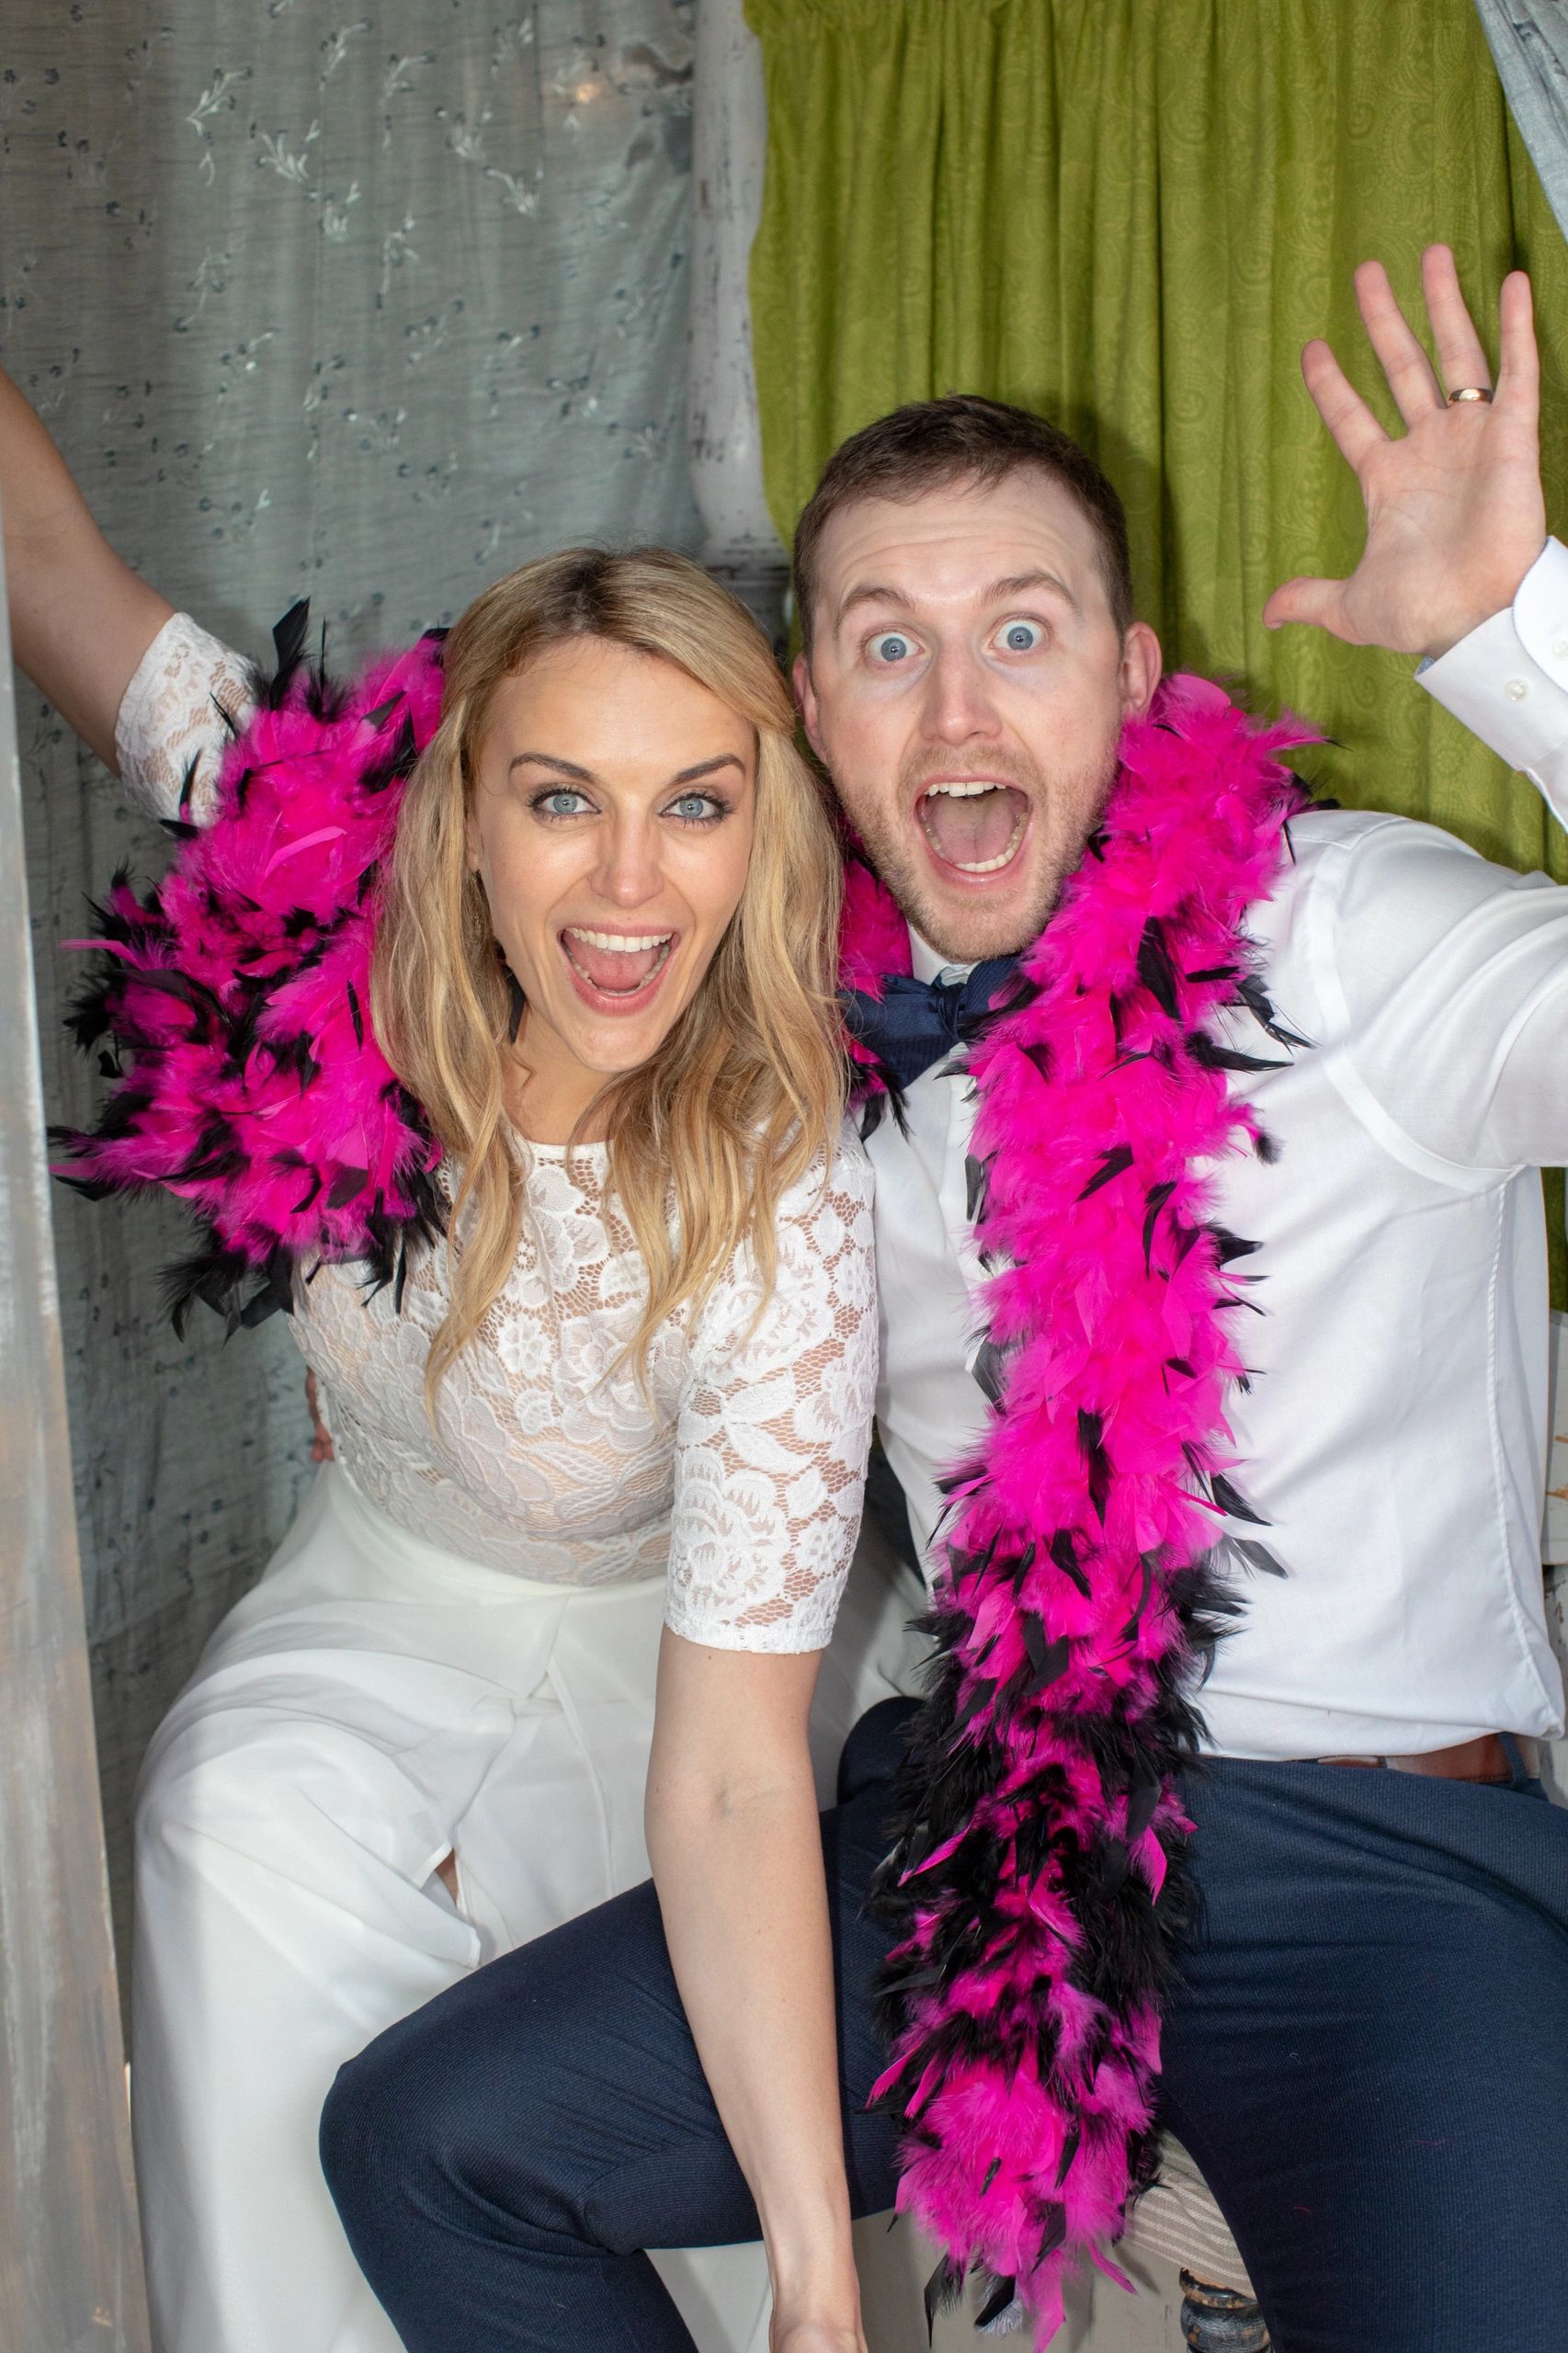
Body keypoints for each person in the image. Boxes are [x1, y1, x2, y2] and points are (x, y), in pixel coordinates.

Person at [313, 245, 1568, 2353]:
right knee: (435, 2139)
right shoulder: (783, 1050)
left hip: (1379, 1869)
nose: (959, 709)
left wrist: (1515, 641)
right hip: (980, 1833)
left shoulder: (1353, 938)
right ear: (811, 707)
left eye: (1021, 635)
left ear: (1133, 676)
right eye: (887, 645)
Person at [1, 369, 929, 2353]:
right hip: (374, 1590)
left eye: (696, 801)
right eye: (560, 797)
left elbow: (739, 1784)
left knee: (547, 2070)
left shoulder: (785, 1193)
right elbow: (40, 556)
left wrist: (819, 2288)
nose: (626, 886)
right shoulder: (298, 897)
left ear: (761, 826)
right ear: (462, 813)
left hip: (687, 1672)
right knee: (224, 1829)